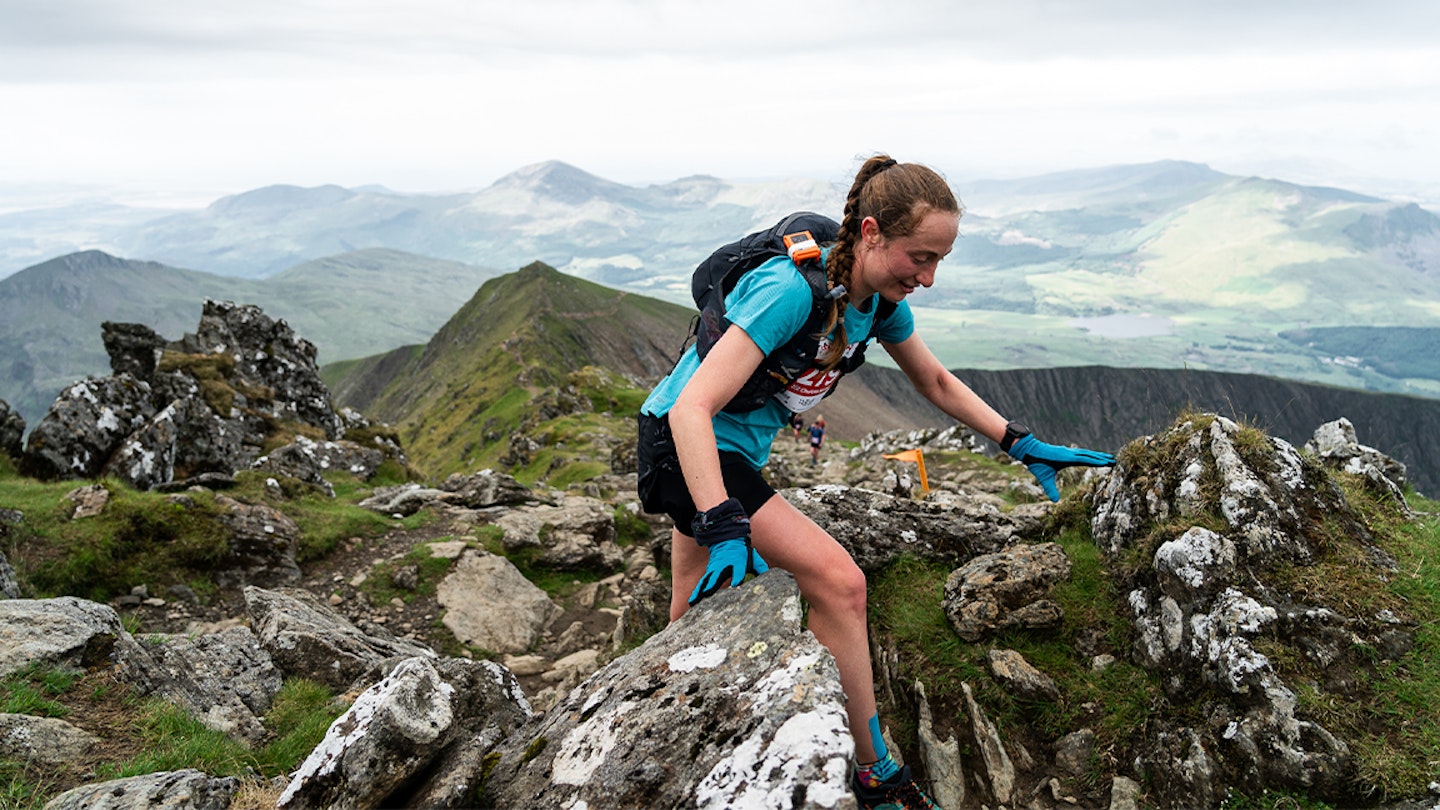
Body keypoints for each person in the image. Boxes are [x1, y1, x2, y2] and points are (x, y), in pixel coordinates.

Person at [636, 154, 1115, 810]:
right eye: (920, 257)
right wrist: (721, 519)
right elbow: (692, 407)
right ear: (870, 233)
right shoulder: (790, 293)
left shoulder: (876, 305)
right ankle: (875, 773)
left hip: (715, 451)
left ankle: (657, 749)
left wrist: (1019, 442)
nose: (929, 277)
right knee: (841, 584)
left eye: (940, 260)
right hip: (684, 447)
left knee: (689, 611)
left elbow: (936, 383)